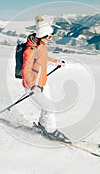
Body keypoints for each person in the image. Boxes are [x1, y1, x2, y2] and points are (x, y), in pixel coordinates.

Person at [21, 15, 70, 143]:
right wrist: (33, 86)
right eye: (50, 36)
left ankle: (43, 125)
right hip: (33, 85)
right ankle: (51, 131)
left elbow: (42, 57)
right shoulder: (30, 50)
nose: (51, 38)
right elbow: (25, 71)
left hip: (41, 82)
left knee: (47, 106)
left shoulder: (40, 45)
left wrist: (55, 61)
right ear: (43, 36)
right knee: (50, 108)